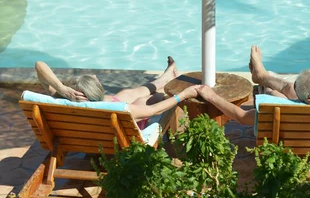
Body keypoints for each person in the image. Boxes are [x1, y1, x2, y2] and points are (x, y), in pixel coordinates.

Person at [192, 45, 310, 127]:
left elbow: (240, 116)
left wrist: (211, 96)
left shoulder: (275, 110)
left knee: (276, 91)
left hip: (288, 127)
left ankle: (263, 76)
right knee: (279, 90)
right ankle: (263, 76)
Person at [35, 57, 196, 129]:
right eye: (95, 79)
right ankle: (165, 86)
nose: (96, 76)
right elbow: (155, 110)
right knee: (145, 100)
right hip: (119, 133)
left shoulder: (66, 101)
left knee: (126, 93)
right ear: (97, 90)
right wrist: (182, 95)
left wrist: (62, 88)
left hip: (93, 129)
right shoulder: (122, 110)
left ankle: (164, 79)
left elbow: (39, 65)